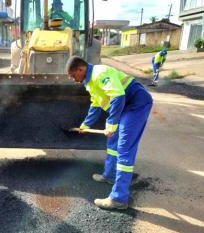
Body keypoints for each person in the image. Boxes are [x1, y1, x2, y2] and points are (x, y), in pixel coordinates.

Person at [66, 56, 153, 210]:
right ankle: (110, 175)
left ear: (81, 69)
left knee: (124, 149)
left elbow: (118, 95)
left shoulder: (100, 73)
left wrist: (111, 124)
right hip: (125, 107)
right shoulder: (89, 81)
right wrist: (86, 124)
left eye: (73, 75)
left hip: (136, 105)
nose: (73, 79)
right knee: (113, 142)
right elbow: (96, 103)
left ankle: (119, 198)